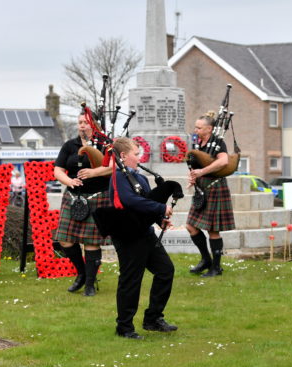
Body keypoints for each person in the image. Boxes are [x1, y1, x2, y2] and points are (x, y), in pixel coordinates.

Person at [110, 137, 177, 340]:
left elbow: (146, 203)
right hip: (127, 234)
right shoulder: (118, 177)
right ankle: (124, 327)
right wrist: (161, 208)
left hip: (145, 233)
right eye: (136, 154)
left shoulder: (140, 178)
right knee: (131, 280)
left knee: (166, 271)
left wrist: (160, 220)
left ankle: (153, 319)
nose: (139, 158)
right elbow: (129, 200)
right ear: (123, 156)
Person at [54, 113, 112, 296]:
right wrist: (69, 182)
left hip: (98, 196)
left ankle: (89, 284)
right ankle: (81, 273)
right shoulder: (70, 145)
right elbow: (58, 169)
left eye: (85, 123)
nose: (81, 126)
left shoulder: (105, 144)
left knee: (91, 243)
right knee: (64, 239)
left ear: (94, 125)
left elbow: (114, 166)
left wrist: (93, 173)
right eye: (79, 123)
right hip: (73, 197)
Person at [187, 111, 236, 277]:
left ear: (209, 129)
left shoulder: (218, 142)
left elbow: (224, 161)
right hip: (201, 188)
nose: (195, 130)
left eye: (199, 127)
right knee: (190, 226)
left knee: (213, 230)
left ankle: (216, 267)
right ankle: (206, 260)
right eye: (195, 127)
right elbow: (195, 164)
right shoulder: (198, 143)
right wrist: (193, 176)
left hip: (215, 187)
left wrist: (203, 171)